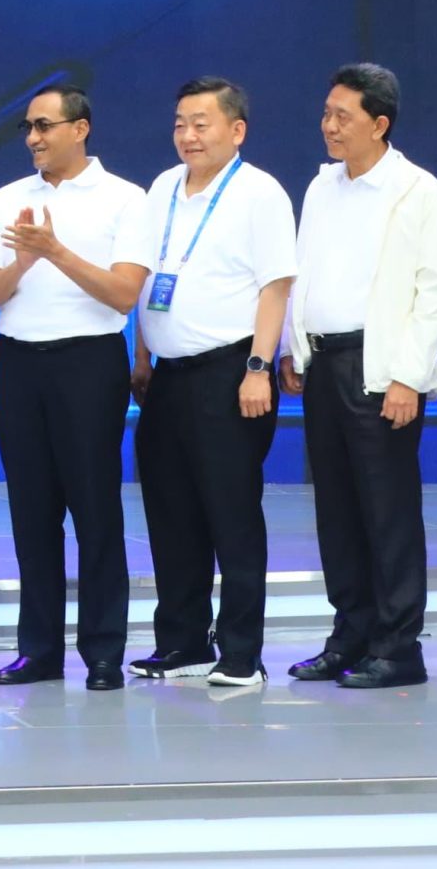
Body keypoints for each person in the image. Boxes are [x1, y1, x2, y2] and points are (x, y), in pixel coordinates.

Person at [110, 76, 298, 689]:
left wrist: (259, 367)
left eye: (201, 123)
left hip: (231, 371)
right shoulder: (163, 187)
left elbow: (276, 287)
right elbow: (149, 278)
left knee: (231, 514)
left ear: (236, 130)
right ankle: (183, 642)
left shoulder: (260, 193)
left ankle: (242, 651)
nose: (187, 135)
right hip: (167, 374)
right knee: (171, 513)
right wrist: (143, 353)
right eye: (180, 124)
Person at [281, 63, 437, 690]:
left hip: (380, 368)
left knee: (388, 513)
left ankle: (398, 646)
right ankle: (349, 636)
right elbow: (303, 270)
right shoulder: (320, 186)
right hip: (322, 362)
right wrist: (293, 347)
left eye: (343, 116)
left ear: (379, 124)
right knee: (336, 510)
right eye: (326, 113)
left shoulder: (417, 190)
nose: (328, 126)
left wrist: (409, 376)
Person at [0, 87, 147, 691]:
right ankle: (38, 650)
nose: (33, 138)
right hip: (19, 362)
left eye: (44, 126)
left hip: (89, 362)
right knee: (31, 512)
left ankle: (103, 650)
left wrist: (54, 251)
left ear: (81, 128)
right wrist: (24, 261)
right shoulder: (6, 199)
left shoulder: (125, 198)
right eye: (28, 127)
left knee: (96, 509)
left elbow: (123, 294)